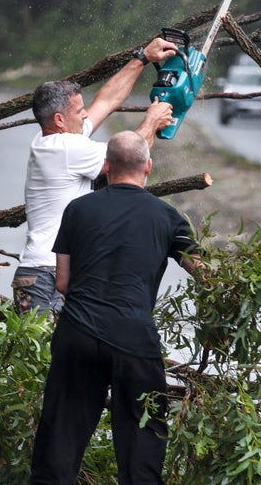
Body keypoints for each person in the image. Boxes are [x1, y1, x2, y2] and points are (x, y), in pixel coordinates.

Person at [26, 130, 199, 485]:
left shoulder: (78, 210)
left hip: (77, 332)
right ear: (148, 167)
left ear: (105, 167)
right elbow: (206, 274)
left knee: (63, 419)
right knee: (142, 423)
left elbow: (63, 283)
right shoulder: (168, 216)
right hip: (133, 336)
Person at [11, 36, 179, 315]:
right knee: (41, 357)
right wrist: (152, 120)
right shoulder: (64, 147)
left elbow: (107, 100)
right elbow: (127, 158)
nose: (85, 115)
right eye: (79, 111)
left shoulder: (58, 140)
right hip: (45, 275)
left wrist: (143, 57)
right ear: (59, 120)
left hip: (53, 272)